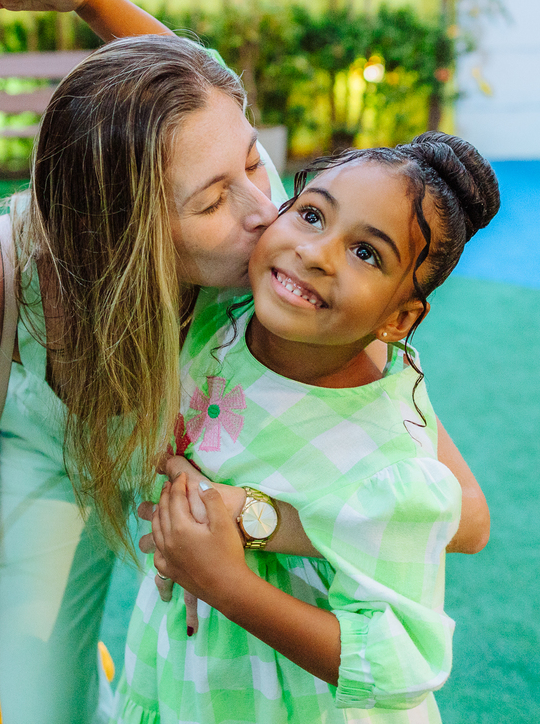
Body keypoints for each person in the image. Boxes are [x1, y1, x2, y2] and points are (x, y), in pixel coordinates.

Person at [0, 0, 489, 724]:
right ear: (121, 231)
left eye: (256, 162)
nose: (271, 214)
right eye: (217, 197)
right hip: (54, 451)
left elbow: (465, 510)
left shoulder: (288, 269)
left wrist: (243, 525)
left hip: (188, 466)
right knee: (39, 705)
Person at [118, 132, 498, 723]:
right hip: (187, 671)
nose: (317, 253)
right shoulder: (223, 310)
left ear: (399, 318)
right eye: (313, 215)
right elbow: (204, 92)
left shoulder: (387, 461)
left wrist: (227, 585)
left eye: (367, 253)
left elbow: (402, 665)